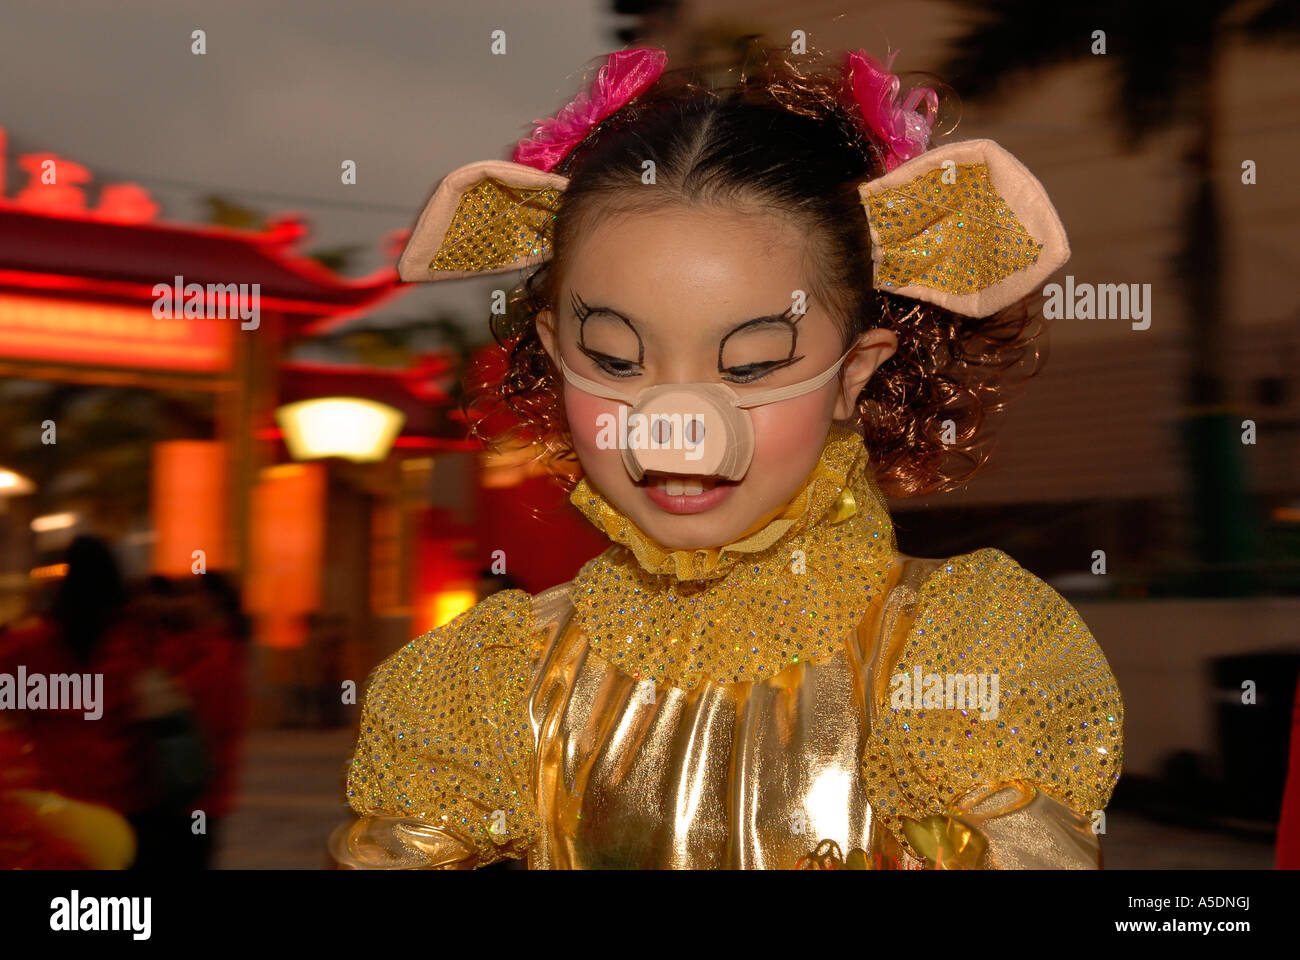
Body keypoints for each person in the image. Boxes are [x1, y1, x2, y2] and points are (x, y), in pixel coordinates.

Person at [333, 43, 1124, 870]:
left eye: (749, 367)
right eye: (612, 358)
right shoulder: (489, 683)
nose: (675, 426)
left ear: (855, 372)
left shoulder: (955, 654)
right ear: (553, 354)